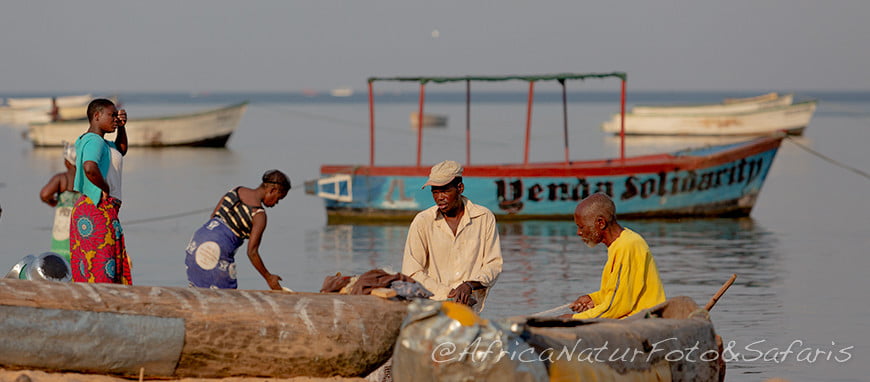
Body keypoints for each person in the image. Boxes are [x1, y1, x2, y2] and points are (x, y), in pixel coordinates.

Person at [402, 160, 503, 313]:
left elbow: (493, 265)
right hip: (432, 308)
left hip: (470, 308)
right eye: (435, 192)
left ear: (460, 188)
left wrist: (469, 285)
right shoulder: (422, 221)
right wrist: (450, 294)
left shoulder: (484, 217)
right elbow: (412, 271)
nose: (439, 197)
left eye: (445, 191)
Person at [565, 193, 666, 319]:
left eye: (581, 227)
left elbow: (618, 306)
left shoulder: (627, 245)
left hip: (642, 320)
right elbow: (618, 293)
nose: (579, 233)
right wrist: (593, 299)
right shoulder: (620, 244)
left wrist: (573, 319)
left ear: (600, 223)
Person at [185, 170, 291, 290]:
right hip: (216, 252)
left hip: (197, 243)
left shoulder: (237, 190)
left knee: (199, 295)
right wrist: (269, 278)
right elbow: (252, 252)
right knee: (227, 300)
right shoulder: (259, 215)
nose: (276, 203)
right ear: (272, 190)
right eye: (278, 199)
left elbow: (214, 216)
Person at [70, 98, 131, 284]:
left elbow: (121, 149)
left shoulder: (104, 144)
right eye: (111, 115)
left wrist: (122, 127)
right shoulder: (94, 141)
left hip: (99, 210)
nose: (115, 119)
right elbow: (89, 167)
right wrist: (104, 187)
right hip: (97, 209)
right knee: (101, 269)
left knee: (102, 267)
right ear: (97, 116)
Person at [39, 142, 81, 262]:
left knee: (61, 259)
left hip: (62, 224)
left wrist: (52, 202)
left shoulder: (62, 178)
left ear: (67, 162)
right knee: (78, 259)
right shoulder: (85, 179)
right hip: (80, 224)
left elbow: (44, 194)